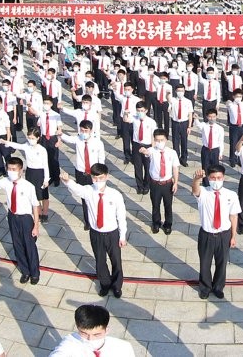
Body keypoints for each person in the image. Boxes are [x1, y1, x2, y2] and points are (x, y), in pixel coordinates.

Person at [62, 164, 128, 297]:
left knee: (116, 260)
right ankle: (104, 284)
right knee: (100, 260)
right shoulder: (88, 191)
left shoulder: (115, 195)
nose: (98, 181)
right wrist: (67, 180)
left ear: (107, 177)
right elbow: (77, 189)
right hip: (96, 233)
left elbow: (121, 216)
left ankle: (117, 285)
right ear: (91, 178)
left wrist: (122, 236)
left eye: (101, 178)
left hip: (112, 233)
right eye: (95, 178)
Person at [0, 157, 41, 284]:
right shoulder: (6, 181)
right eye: (9, 169)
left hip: (26, 219)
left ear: (21, 170)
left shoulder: (28, 186)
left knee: (30, 247)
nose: (11, 171)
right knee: (17, 245)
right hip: (12, 217)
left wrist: (36, 226)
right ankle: (25, 271)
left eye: (14, 169)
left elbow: (35, 206)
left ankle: (34, 273)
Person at [191, 165, 240, 299]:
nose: (216, 180)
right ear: (208, 178)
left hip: (224, 235)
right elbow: (195, 190)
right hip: (207, 235)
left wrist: (233, 236)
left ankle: (218, 287)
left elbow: (234, 216)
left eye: (219, 178)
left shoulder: (231, 195)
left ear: (223, 178)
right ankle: (205, 287)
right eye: (213, 178)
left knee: (222, 263)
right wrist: (196, 179)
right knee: (205, 263)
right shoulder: (204, 192)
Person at [48, 304, 136, 356]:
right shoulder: (70, 342)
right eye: (84, 333)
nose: (90, 339)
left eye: (96, 335)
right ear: (78, 327)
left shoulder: (123, 347)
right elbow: (60, 352)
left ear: (107, 330)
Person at [138, 129, 179, 234]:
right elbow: (146, 152)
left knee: (168, 205)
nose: (159, 142)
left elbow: (175, 168)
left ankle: (168, 224)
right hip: (155, 183)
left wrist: (175, 182)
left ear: (166, 140)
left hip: (167, 183)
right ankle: (156, 223)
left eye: (162, 140)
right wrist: (143, 150)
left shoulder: (172, 152)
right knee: (155, 204)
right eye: (157, 140)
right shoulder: (152, 150)